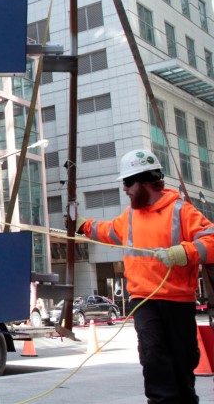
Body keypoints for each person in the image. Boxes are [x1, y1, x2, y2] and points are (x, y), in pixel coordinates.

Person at [77, 149, 214, 404]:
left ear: (146, 182)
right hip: (143, 300)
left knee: (182, 362)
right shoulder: (130, 216)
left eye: (128, 183)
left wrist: (183, 252)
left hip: (178, 300)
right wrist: (81, 225)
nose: (125, 189)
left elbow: (212, 240)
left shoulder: (181, 211)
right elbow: (105, 231)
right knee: (153, 358)